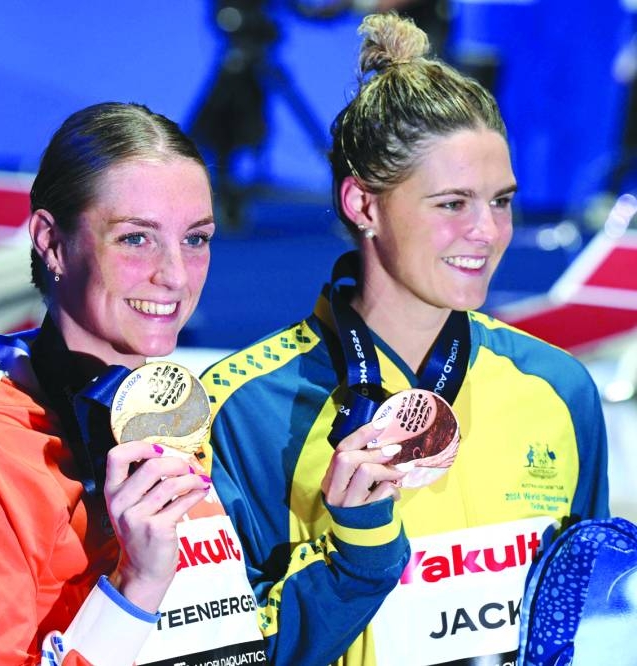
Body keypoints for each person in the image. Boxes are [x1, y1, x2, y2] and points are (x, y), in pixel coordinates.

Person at [0, 101, 409, 666]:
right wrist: (136, 588)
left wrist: (363, 542)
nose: (174, 275)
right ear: (52, 242)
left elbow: (247, 646)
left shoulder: (183, 414)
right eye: (135, 238)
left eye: (196, 239)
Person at [202, 12, 610, 666]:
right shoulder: (243, 410)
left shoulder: (559, 390)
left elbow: (580, 624)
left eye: (501, 201)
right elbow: (218, 651)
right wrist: (355, 553)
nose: (488, 232)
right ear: (364, 205)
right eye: (453, 203)